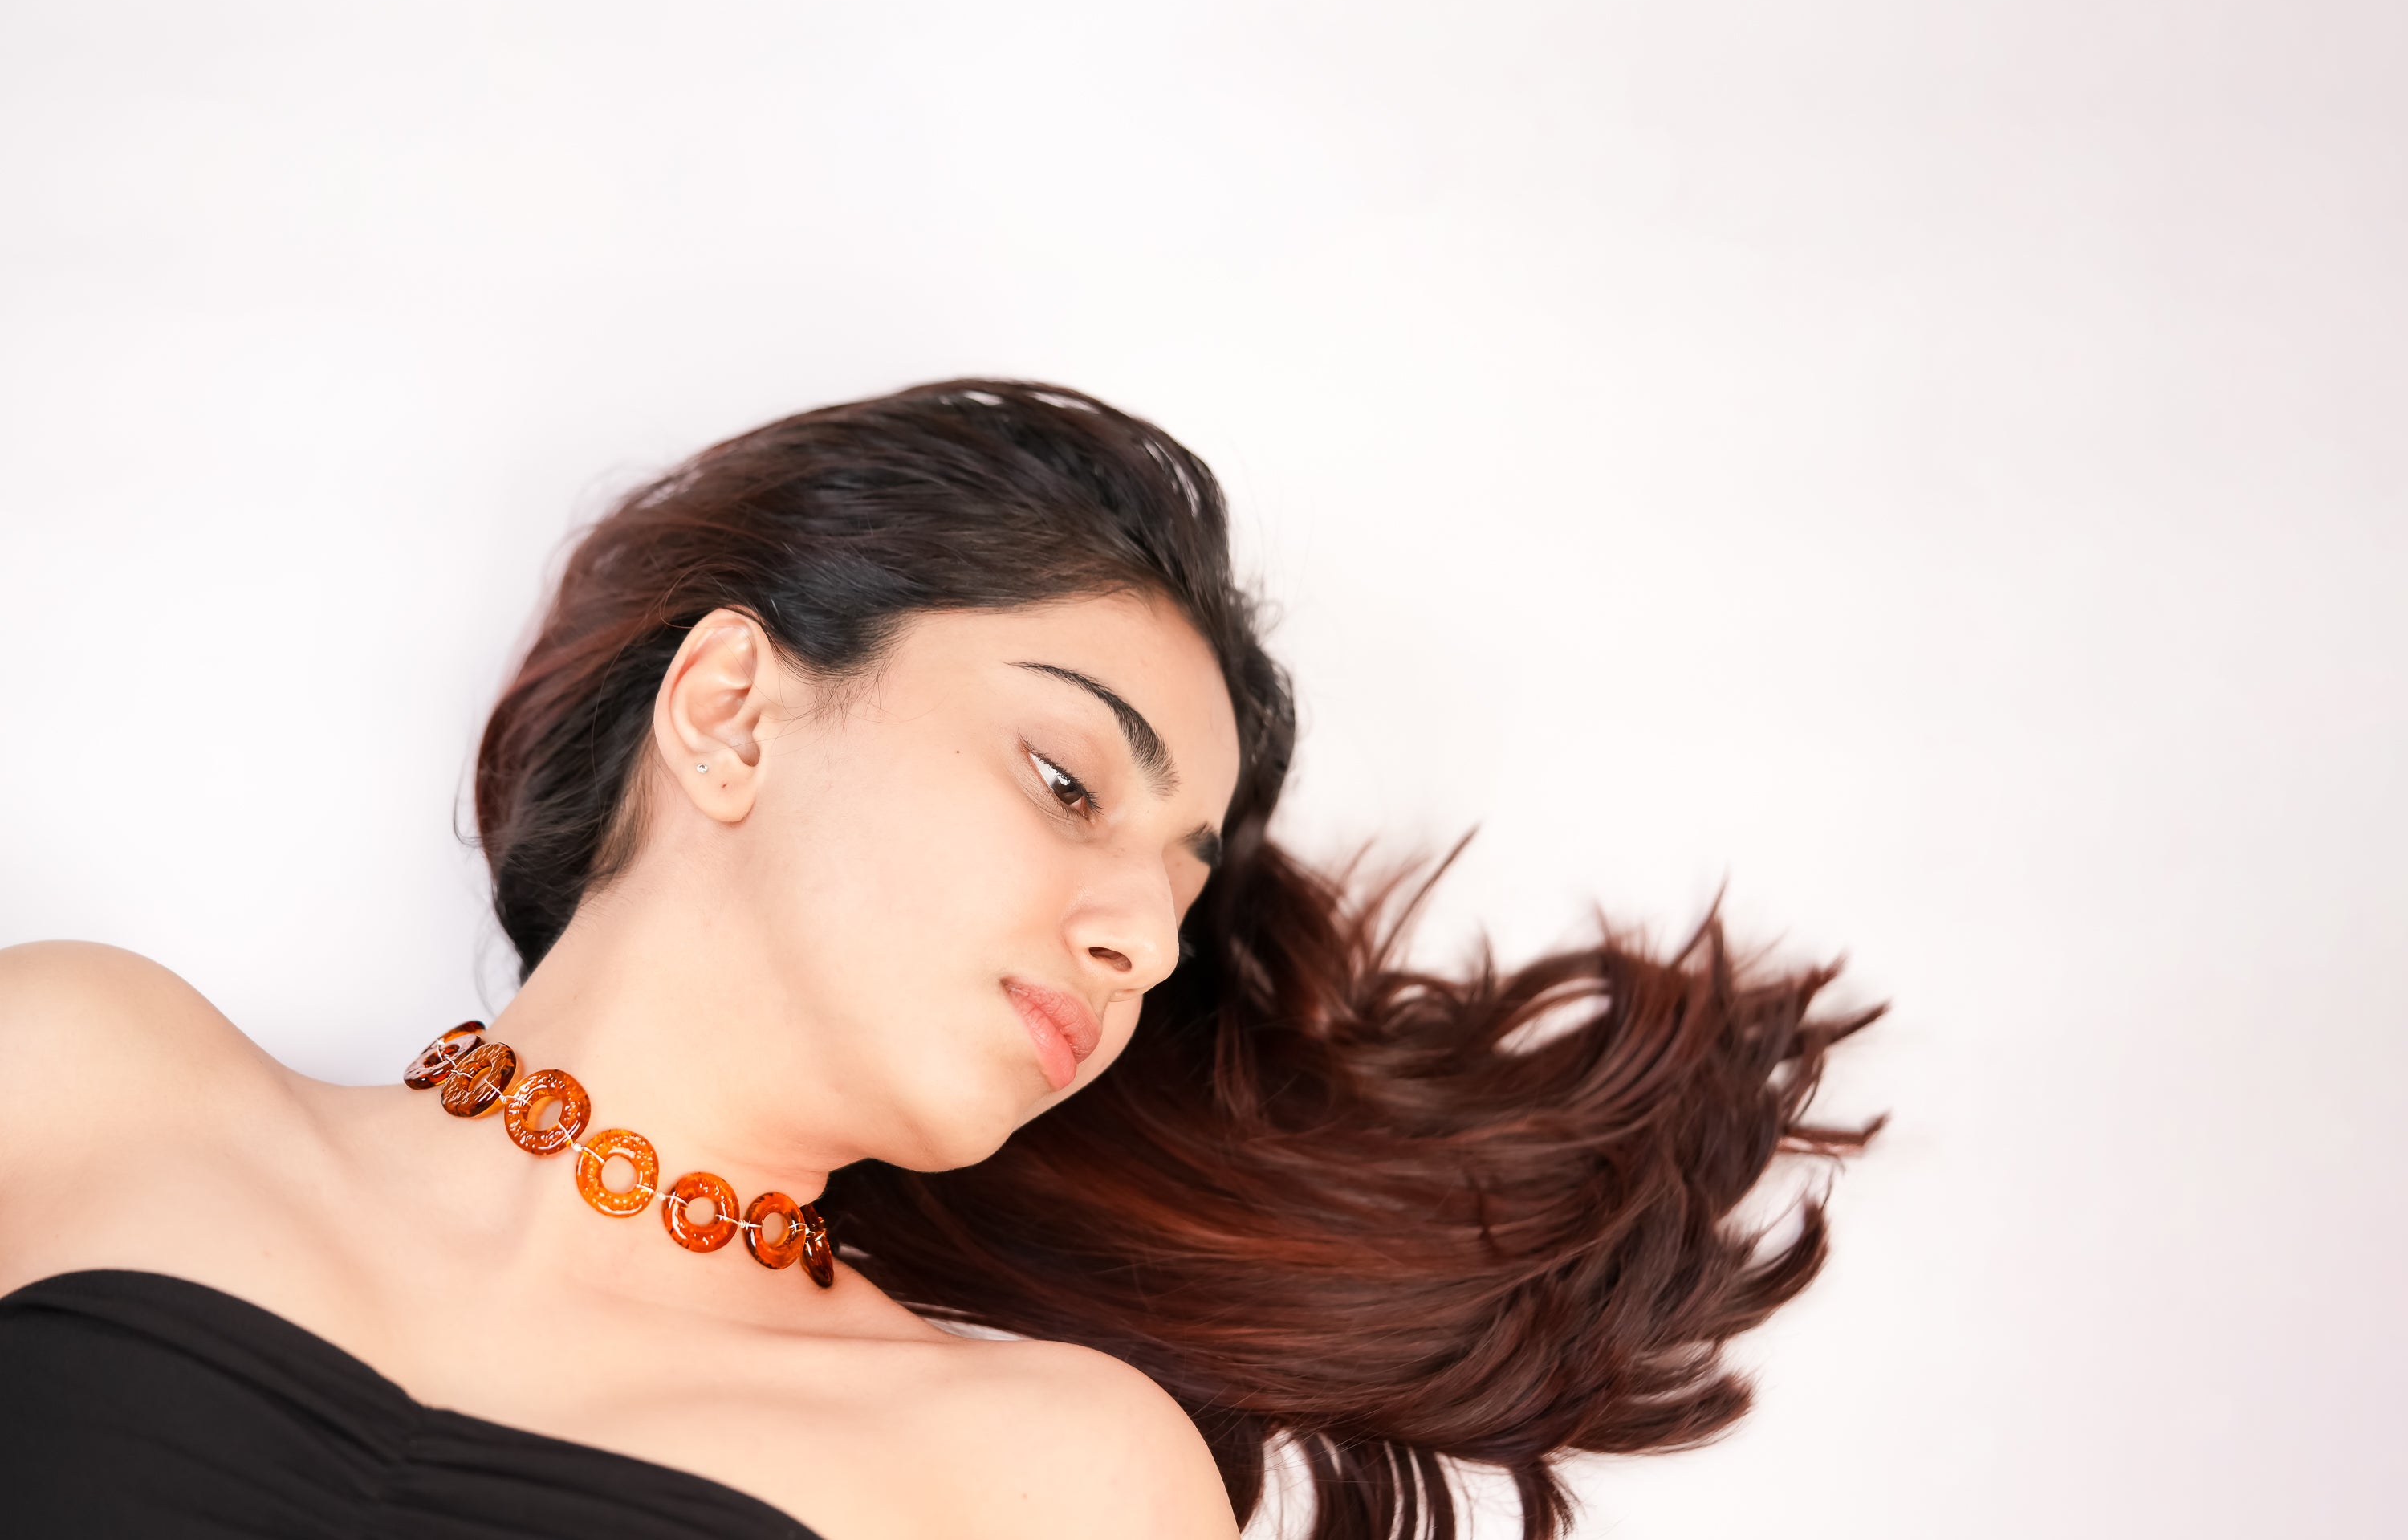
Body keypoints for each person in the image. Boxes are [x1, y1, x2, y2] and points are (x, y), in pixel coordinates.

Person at [0, 380, 1876, 1540]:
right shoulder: (82, 1071)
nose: (1139, 933)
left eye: (1181, 891)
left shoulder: (1051, 1477)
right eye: (1068, 779)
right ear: (731, 708)